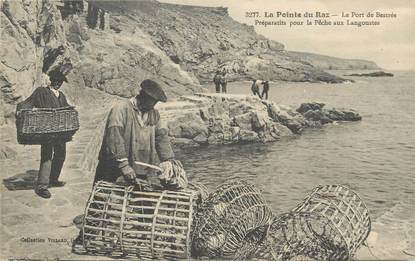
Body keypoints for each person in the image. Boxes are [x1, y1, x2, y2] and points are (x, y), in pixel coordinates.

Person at [94, 79, 178, 186]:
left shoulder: (154, 114)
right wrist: (124, 165)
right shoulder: (121, 109)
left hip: (140, 168)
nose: (152, 106)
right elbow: (115, 138)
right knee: (112, 197)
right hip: (115, 168)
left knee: (138, 198)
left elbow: (161, 137)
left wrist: (168, 160)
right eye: (151, 102)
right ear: (142, 96)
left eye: (155, 103)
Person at [22, 69, 71, 198]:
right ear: (51, 80)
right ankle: (42, 186)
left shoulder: (61, 96)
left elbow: (66, 108)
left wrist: (71, 108)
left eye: (60, 81)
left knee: (61, 155)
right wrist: (20, 110)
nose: (57, 83)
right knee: (47, 156)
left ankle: (53, 179)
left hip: (60, 132)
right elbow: (29, 102)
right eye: (55, 80)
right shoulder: (41, 92)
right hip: (47, 131)